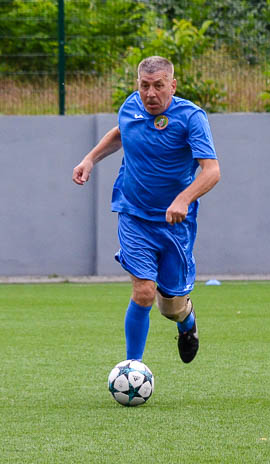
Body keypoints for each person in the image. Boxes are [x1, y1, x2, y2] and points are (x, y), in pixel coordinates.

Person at [72, 56, 220, 364]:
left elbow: (211, 171)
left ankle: (187, 323)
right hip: (134, 215)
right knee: (143, 291)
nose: (150, 94)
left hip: (173, 223)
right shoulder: (131, 106)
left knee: (171, 306)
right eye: (144, 86)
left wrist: (183, 199)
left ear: (172, 85)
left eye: (158, 86)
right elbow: (120, 132)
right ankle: (132, 367)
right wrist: (89, 159)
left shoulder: (192, 118)